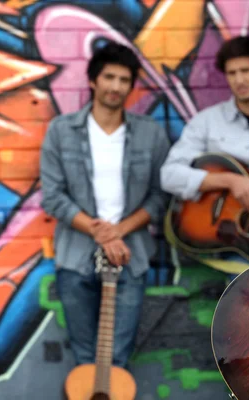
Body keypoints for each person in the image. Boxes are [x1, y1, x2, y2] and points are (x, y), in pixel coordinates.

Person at [40, 41, 170, 368]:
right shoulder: (61, 132)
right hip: (74, 255)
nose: (116, 86)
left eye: (124, 80)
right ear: (93, 81)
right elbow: (53, 196)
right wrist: (102, 234)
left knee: (116, 359)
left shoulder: (149, 134)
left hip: (131, 253)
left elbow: (161, 195)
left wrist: (118, 233)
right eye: (109, 77)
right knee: (85, 359)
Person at [160, 35, 249, 274]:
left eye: (246, 70)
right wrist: (230, 181)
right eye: (232, 73)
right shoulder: (207, 123)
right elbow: (169, 175)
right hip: (227, 249)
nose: (239, 80)